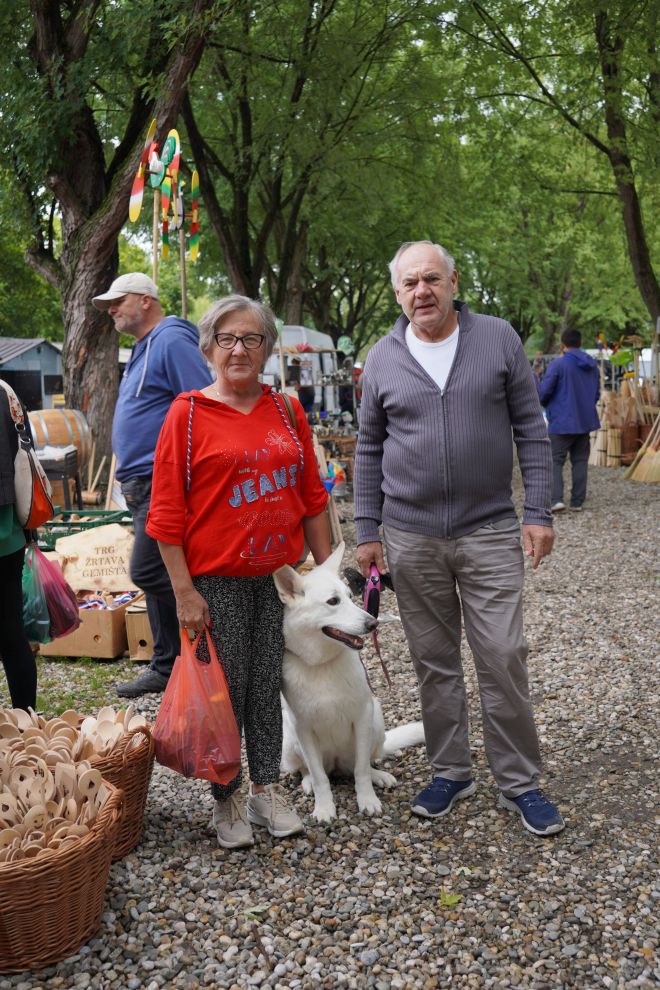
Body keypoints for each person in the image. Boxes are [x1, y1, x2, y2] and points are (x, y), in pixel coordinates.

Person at [354, 240, 565, 838]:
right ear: (397, 294)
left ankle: (520, 779)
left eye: (432, 279)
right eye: (409, 284)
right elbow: (369, 449)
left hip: (490, 527)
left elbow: (531, 427)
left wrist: (539, 511)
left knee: (501, 654)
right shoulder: (383, 358)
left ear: (451, 283)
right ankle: (451, 770)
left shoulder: (496, 337)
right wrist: (366, 528)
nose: (422, 291)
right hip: (411, 534)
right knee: (433, 659)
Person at [146, 294, 331, 849]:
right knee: (222, 692)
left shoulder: (286, 410)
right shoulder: (188, 414)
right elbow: (165, 515)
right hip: (215, 583)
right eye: (226, 339)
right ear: (208, 348)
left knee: (266, 685)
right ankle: (224, 799)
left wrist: (327, 579)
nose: (239, 350)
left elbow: (311, 497)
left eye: (251, 339)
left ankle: (266, 788)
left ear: (268, 348)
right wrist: (183, 591)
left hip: (279, 578)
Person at [92, 272, 213, 697]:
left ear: (145, 300)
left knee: (146, 569)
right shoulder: (145, 346)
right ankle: (167, 664)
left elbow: (201, 402)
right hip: (143, 481)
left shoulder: (172, 338)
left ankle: (219, 622)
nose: (110, 309)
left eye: (117, 300)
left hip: (164, 479)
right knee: (159, 569)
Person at [0, 382, 37, 710]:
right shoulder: (5, 392)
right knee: (11, 634)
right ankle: (26, 727)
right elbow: (27, 453)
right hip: (8, 530)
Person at [538, 329, 600, 513]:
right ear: (579, 343)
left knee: (554, 460)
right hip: (584, 422)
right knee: (580, 461)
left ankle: (556, 499)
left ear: (563, 345)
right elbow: (596, 394)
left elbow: (543, 392)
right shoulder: (592, 365)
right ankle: (577, 502)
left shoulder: (559, 365)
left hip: (561, 422)